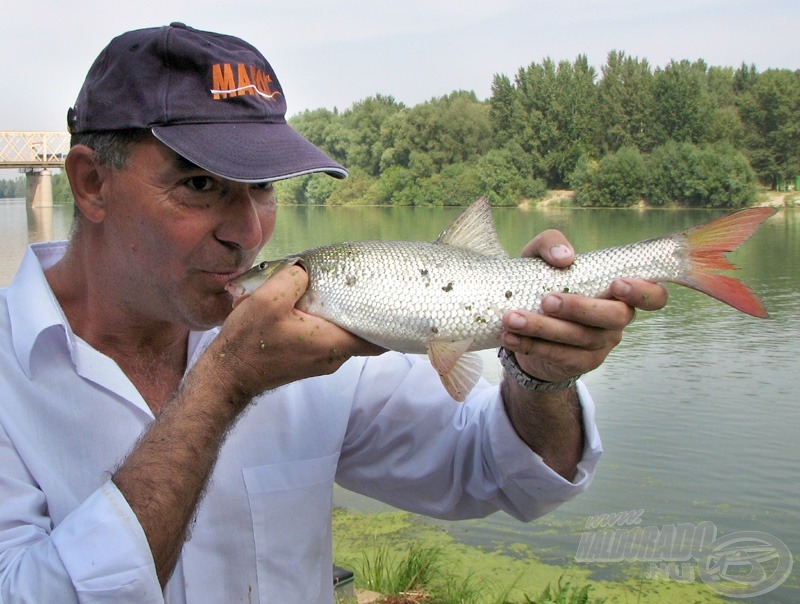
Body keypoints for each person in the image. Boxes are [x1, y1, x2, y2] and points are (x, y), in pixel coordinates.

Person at [0, 23, 667, 603]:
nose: (248, 231)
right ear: (91, 183)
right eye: (200, 183)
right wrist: (224, 386)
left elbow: (496, 472)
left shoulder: (317, 333)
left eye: (262, 187)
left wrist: (538, 378)